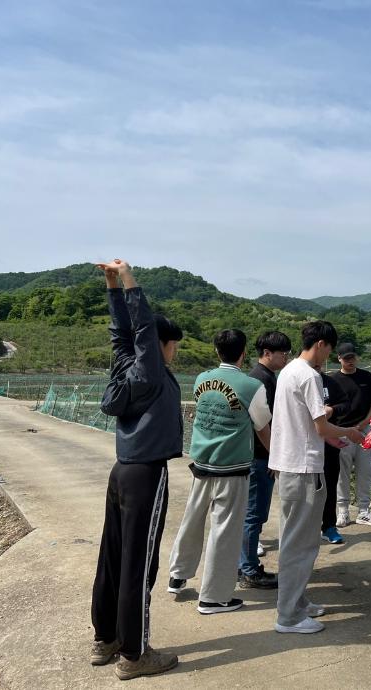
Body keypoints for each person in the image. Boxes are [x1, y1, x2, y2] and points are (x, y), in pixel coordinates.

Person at [90, 259, 183, 680]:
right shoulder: (150, 370)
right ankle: (134, 654)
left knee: (113, 557)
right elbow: (141, 328)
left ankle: (106, 638)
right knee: (138, 566)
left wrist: (111, 287)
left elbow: (122, 333)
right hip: (146, 474)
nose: (174, 351)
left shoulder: (125, 366)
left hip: (121, 471)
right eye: (172, 344)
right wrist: (127, 279)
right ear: (162, 345)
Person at [268, 321, 364, 634]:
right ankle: (288, 616)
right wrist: (349, 432)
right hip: (304, 468)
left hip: (288, 465)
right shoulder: (310, 375)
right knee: (301, 544)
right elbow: (321, 426)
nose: (329, 356)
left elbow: (306, 424)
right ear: (321, 344)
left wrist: (332, 433)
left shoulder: (288, 371)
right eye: (329, 349)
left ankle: (296, 603)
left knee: (293, 539)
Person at [166, 329, 272, 613]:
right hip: (232, 468)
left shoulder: (202, 379)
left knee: (192, 520)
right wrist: (275, 457)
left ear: (216, 351)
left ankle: (178, 575)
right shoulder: (251, 386)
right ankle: (213, 597)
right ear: (243, 352)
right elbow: (262, 427)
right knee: (224, 532)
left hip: (201, 463)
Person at [238, 331, 292, 589]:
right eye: (283, 354)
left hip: (257, 456)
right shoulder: (261, 379)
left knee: (251, 514)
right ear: (267, 353)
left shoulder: (263, 376)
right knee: (254, 515)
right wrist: (274, 457)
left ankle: (244, 566)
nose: (286, 358)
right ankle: (249, 571)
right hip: (260, 458)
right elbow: (262, 425)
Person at [331, 342, 371, 527]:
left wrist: (364, 422)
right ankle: (343, 511)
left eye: (352, 357)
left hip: (365, 430)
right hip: (342, 431)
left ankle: (364, 510)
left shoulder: (367, 377)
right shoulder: (333, 380)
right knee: (342, 473)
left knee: (365, 471)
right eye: (346, 358)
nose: (350, 361)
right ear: (339, 358)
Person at [317, 364, 351, 544]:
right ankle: (308, 529)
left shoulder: (330, 382)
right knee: (307, 491)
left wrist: (332, 410)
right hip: (305, 448)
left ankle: (329, 526)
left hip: (330, 445)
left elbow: (346, 404)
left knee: (330, 486)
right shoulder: (297, 380)